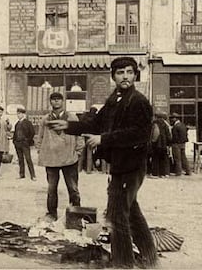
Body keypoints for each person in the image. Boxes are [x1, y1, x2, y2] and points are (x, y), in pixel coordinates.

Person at [47, 57, 158, 268]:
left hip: (131, 166)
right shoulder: (115, 98)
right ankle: (150, 258)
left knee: (117, 216)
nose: (124, 76)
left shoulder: (138, 101)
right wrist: (68, 126)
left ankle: (123, 264)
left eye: (128, 72)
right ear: (113, 76)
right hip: (120, 164)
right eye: (120, 73)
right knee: (131, 212)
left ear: (135, 75)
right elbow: (97, 123)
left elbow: (139, 134)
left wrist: (104, 139)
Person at [36, 92, 84, 221]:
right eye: (53, 100)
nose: (56, 102)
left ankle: (76, 214)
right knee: (52, 188)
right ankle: (52, 214)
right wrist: (40, 149)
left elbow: (79, 135)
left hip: (69, 158)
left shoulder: (72, 117)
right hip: (51, 159)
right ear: (50, 102)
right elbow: (39, 137)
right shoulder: (45, 119)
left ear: (63, 101)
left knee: (73, 188)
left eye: (58, 99)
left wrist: (78, 151)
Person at [13, 107, 36, 180]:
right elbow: (15, 134)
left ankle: (33, 175)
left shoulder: (28, 122)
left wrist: (27, 141)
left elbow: (32, 132)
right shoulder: (17, 124)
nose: (18, 115)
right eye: (17, 114)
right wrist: (14, 142)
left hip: (25, 144)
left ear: (23, 114)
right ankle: (22, 174)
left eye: (19, 114)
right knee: (20, 159)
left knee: (28, 159)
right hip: (18, 144)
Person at [151, 111, 172, 178]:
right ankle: (162, 174)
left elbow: (154, 134)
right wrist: (168, 144)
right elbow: (169, 136)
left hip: (156, 144)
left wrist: (152, 141)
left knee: (155, 159)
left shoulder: (154, 123)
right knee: (163, 159)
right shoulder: (165, 124)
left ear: (156, 117)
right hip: (164, 145)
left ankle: (155, 174)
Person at [79, 106, 98, 173]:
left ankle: (79, 168)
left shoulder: (85, 116)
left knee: (82, 153)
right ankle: (89, 170)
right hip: (91, 136)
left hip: (83, 135)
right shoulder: (95, 117)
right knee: (89, 153)